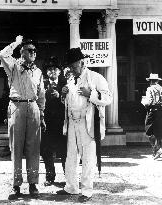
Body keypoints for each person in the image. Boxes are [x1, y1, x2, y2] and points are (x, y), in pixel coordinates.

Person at [56, 47, 112, 202]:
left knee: (88, 157)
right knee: (70, 156)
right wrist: (64, 94)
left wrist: (91, 94)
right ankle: (71, 187)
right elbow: (70, 101)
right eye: (70, 67)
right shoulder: (71, 79)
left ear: (82, 63)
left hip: (87, 123)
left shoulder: (96, 77)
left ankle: (86, 191)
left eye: (74, 66)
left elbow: (108, 98)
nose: (72, 70)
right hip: (72, 122)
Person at [0, 35, 46, 199]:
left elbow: (41, 95)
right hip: (16, 107)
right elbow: (3, 54)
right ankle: (16, 185)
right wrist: (17, 42)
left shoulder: (38, 72)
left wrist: (42, 115)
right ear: (22, 52)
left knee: (34, 148)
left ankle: (33, 184)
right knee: (16, 148)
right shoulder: (12, 66)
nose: (33, 53)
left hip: (33, 108)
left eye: (35, 50)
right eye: (29, 50)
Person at [40, 56, 67, 186]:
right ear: (46, 72)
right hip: (47, 123)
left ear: (59, 71)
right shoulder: (41, 84)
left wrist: (60, 96)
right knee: (46, 151)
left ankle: (69, 176)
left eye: (55, 69)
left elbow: (71, 102)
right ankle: (50, 176)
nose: (52, 72)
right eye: (49, 70)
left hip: (62, 123)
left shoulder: (66, 83)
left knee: (64, 150)